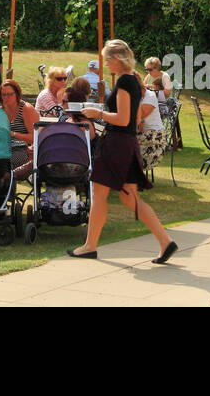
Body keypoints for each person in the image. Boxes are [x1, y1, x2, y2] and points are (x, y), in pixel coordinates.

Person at [68, 39, 177, 264]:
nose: (106, 63)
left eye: (107, 59)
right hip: (126, 144)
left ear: (117, 58)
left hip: (117, 144)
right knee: (130, 199)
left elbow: (124, 118)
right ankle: (166, 242)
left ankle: (89, 246)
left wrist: (97, 114)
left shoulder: (126, 81)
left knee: (99, 194)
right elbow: (132, 118)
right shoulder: (134, 80)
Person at [0, 78, 39, 180]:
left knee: (3, 162)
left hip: (26, 150)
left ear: (17, 94)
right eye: (4, 95)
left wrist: (13, 134)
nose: (6, 98)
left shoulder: (26, 109)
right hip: (5, 148)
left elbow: (35, 137)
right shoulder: (1, 110)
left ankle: (5, 184)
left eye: (10, 94)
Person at [137, 80, 166, 174]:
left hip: (154, 138)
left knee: (124, 143)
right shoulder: (139, 96)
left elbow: (138, 118)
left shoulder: (150, 96)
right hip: (142, 133)